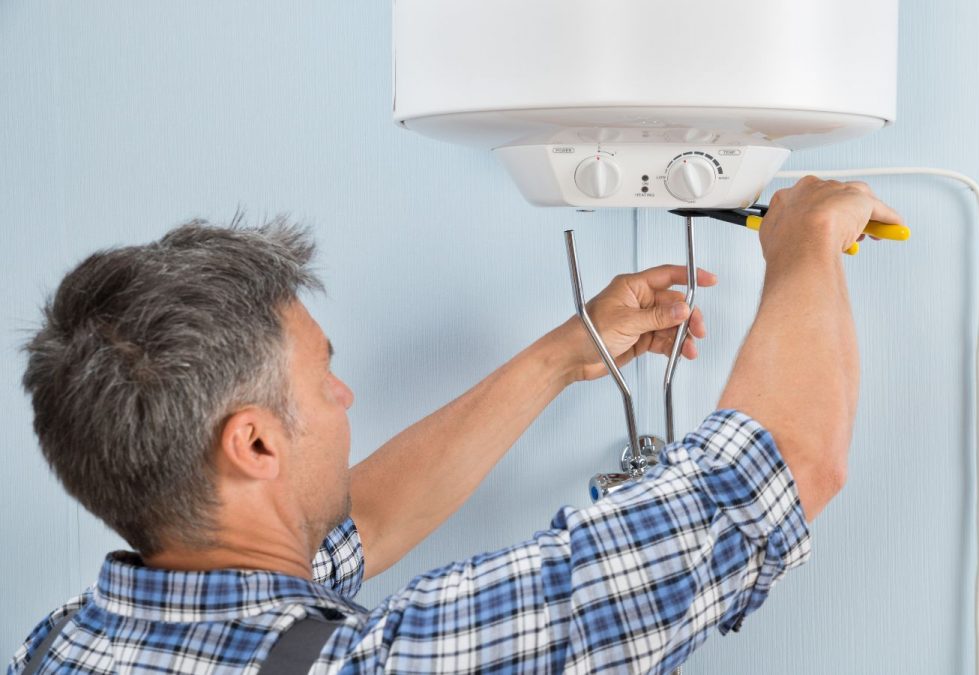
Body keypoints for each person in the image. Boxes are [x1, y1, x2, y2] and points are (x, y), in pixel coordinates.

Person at [7, 177, 902, 674]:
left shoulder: (62, 644)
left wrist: (562, 355)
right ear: (255, 444)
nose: (345, 396)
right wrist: (808, 243)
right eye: (324, 378)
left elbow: (361, 522)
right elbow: (779, 469)